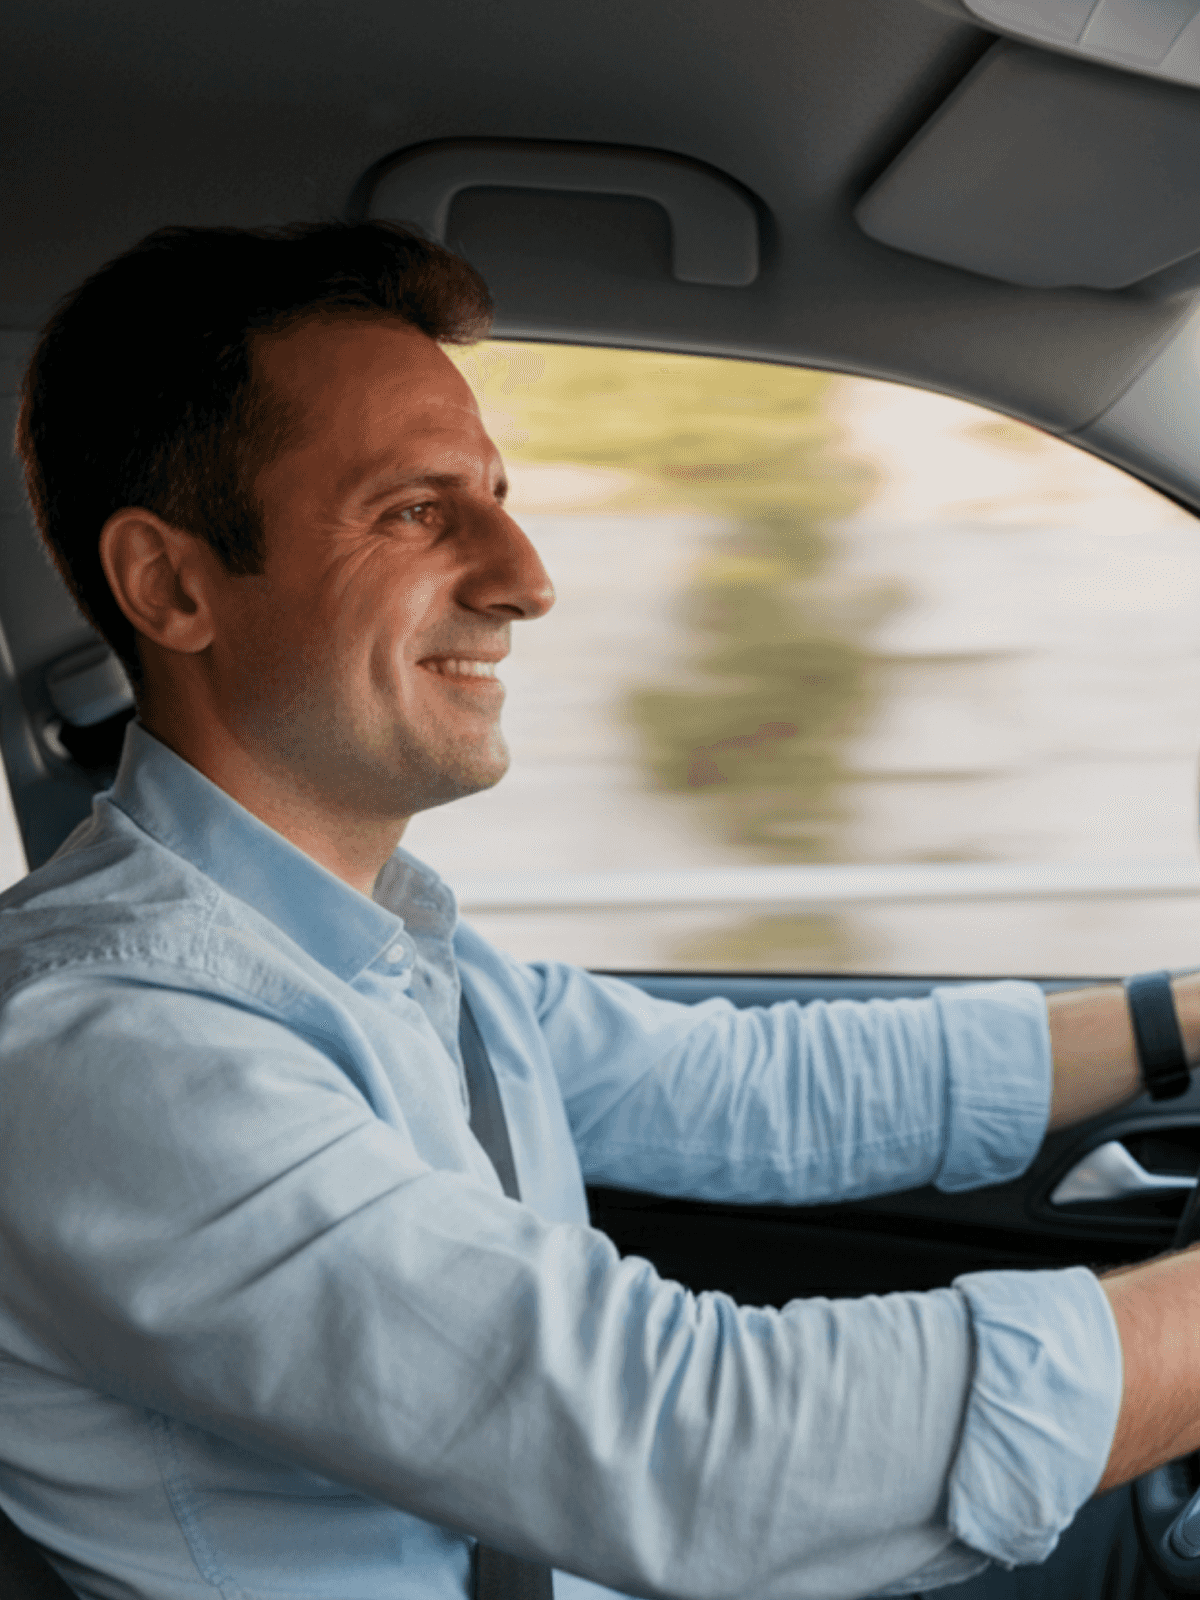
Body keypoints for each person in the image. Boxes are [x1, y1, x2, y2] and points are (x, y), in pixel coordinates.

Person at [0, 218, 1196, 1600]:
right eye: (413, 510)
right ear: (175, 583)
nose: (526, 578)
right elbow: (694, 1451)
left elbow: (757, 1087)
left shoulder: (379, 956)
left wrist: (1182, 1020)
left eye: (498, 496)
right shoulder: (109, 1054)